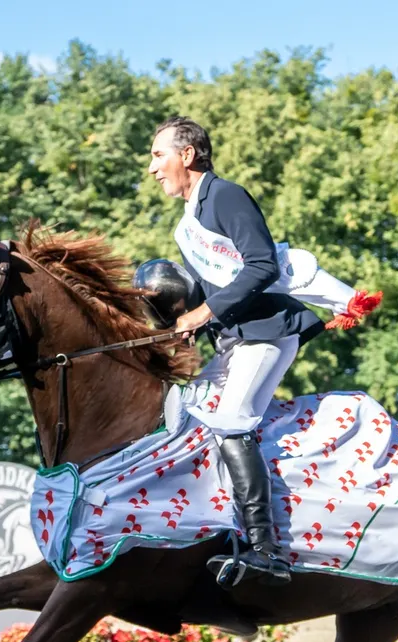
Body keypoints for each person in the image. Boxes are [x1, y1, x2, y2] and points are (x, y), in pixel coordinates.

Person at [145, 116, 380, 586]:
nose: (152, 168)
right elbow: (218, 288)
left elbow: (261, 268)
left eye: (157, 155)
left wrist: (203, 313)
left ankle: (265, 549)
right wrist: (187, 319)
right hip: (237, 340)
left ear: (187, 155)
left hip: (267, 333)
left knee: (231, 420)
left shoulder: (225, 195)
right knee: (183, 411)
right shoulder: (190, 220)